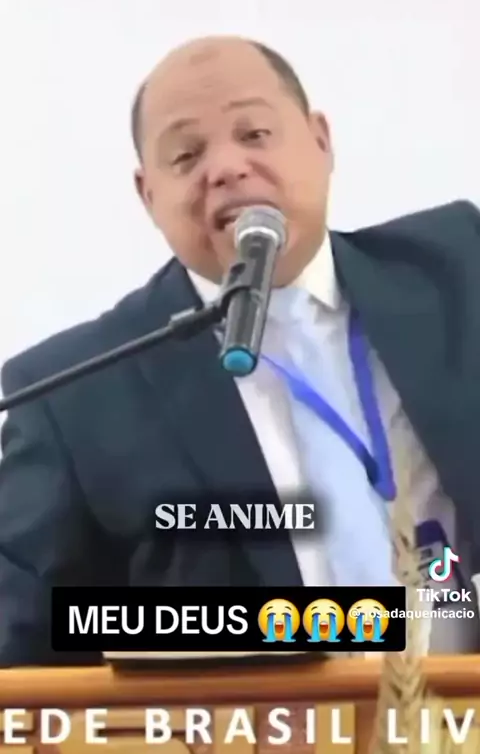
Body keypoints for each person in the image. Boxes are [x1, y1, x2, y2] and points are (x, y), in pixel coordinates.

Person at [0, 35, 479, 666]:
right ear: (149, 195)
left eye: (254, 134)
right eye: (187, 154)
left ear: (321, 141)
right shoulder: (74, 395)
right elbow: (22, 640)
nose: (225, 167)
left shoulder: (459, 271)